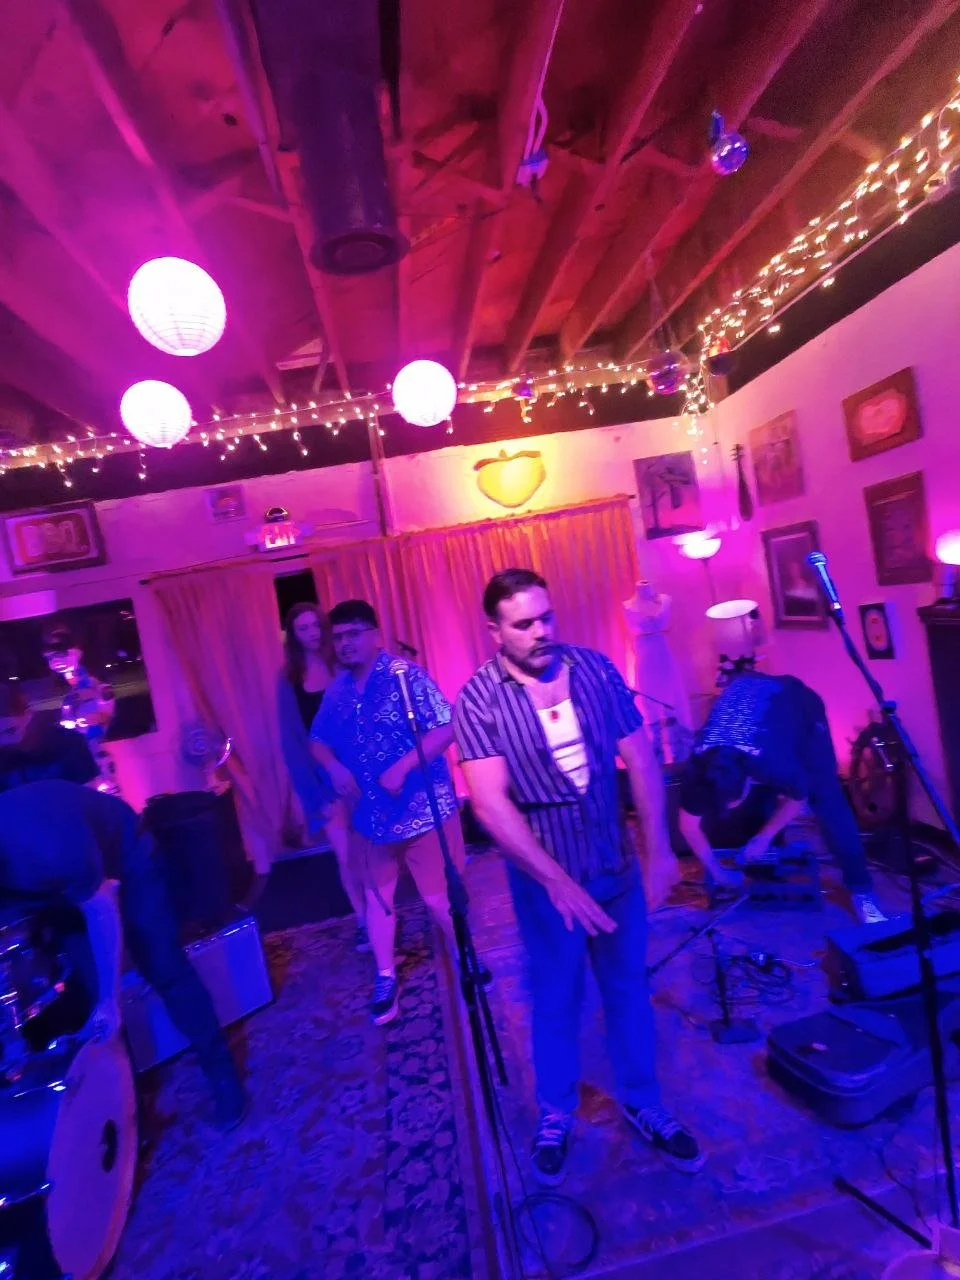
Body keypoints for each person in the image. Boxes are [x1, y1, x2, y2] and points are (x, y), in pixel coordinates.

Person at [454, 569, 701, 1185]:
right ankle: (556, 1112)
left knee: (627, 987)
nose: (540, 631)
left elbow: (639, 757)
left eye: (546, 617)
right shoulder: (479, 699)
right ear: (495, 632)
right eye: (523, 624)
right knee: (557, 997)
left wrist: (660, 851)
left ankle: (643, 1102)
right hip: (546, 882)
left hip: (615, 864)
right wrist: (557, 884)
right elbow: (489, 804)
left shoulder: (594, 669)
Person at [0, 688, 246, 1128]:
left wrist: (111, 1001)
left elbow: (101, 906)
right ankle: (128, 1107)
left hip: (125, 864)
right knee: (92, 994)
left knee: (164, 968)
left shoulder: (48, 845)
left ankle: (222, 1075)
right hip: (61, 883)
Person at [310, 600, 484, 1026]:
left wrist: (403, 766)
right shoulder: (337, 691)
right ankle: (386, 975)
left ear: (375, 635)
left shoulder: (406, 677)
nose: (345, 643)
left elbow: (447, 726)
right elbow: (317, 740)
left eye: (353, 633)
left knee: (438, 899)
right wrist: (332, 766)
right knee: (377, 899)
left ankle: (466, 955)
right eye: (338, 636)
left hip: (424, 812)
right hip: (370, 819)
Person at [677, 669, 885, 924]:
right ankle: (767, 863)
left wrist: (763, 837)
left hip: (799, 708)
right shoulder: (699, 767)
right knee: (767, 799)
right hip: (753, 703)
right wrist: (718, 873)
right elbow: (688, 825)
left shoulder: (772, 764)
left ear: (750, 780)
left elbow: (798, 799)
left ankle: (862, 891)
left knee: (825, 798)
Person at [277, 602, 367, 951]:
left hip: (359, 770)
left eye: (316, 625)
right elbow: (291, 742)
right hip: (322, 778)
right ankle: (363, 919)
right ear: (293, 635)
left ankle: (381, 913)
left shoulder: (341, 664)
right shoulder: (288, 680)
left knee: (371, 850)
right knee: (345, 855)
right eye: (303, 628)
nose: (312, 633)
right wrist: (314, 795)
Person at [42, 620, 119, 794]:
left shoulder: (96, 686)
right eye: (50, 656)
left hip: (95, 751)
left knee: (107, 788)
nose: (55, 660)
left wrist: (82, 722)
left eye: (60, 651)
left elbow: (105, 714)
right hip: (80, 757)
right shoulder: (70, 696)